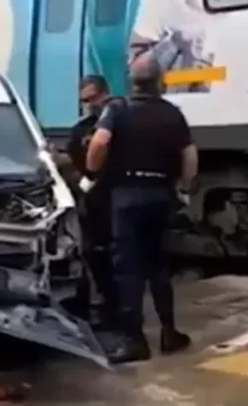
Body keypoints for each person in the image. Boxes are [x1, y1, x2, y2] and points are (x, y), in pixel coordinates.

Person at [81, 54, 198, 363]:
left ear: (133, 82)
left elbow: (99, 144)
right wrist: (183, 188)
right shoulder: (173, 114)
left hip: (127, 197)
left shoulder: (118, 110)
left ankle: (135, 341)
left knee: (128, 269)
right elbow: (189, 157)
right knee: (158, 266)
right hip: (160, 194)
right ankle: (170, 333)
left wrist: (92, 173)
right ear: (160, 82)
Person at [64, 75, 118, 326]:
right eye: (85, 101)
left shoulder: (121, 119)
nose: (90, 105)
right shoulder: (81, 130)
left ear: (105, 93)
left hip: (120, 195)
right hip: (95, 201)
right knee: (95, 255)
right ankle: (106, 304)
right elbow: (74, 164)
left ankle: (121, 309)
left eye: (94, 98)